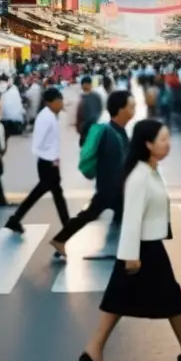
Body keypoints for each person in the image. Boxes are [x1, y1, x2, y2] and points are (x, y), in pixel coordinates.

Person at [80, 119, 181, 361]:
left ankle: (93, 350)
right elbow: (131, 217)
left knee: (119, 301)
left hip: (148, 245)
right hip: (142, 249)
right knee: (169, 299)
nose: (168, 144)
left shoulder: (150, 170)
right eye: (163, 140)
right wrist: (131, 256)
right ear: (148, 144)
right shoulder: (140, 176)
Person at [51, 90, 134, 259]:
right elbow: (114, 163)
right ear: (120, 109)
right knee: (91, 215)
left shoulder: (118, 131)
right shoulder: (110, 133)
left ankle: (60, 240)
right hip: (111, 188)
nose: (134, 109)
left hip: (113, 187)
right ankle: (60, 240)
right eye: (131, 106)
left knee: (93, 214)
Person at [5, 88, 72, 239]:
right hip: (47, 163)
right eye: (58, 101)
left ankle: (15, 219)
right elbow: (38, 143)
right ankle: (67, 227)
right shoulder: (46, 118)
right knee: (53, 194)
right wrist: (52, 159)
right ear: (50, 102)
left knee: (46, 194)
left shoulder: (51, 116)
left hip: (49, 162)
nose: (61, 104)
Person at [76, 76, 104, 146]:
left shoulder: (96, 96)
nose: (85, 87)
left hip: (92, 126)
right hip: (83, 127)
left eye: (87, 84)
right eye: (84, 85)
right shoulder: (79, 97)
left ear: (90, 85)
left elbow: (99, 110)